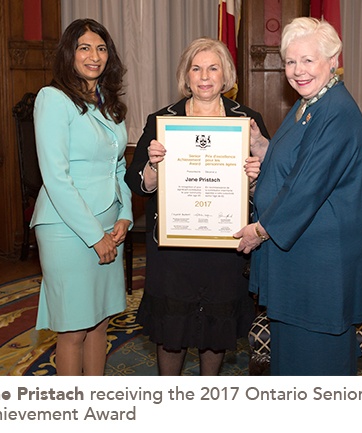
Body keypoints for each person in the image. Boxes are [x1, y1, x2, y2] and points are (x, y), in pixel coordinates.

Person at [234, 17, 362, 376]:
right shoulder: (310, 104)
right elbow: (298, 161)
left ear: (332, 60)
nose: (298, 71)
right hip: (301, 258)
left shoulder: (336, 112)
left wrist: (260, 231)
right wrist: (262, 146)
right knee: (291, 355)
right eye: (290, 61)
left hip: (321, 265)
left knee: (319, 361)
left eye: (308, 60)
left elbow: (308, 186)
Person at [125, 37, 270, 375]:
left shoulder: (247, 121)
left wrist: (253, 178)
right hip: (174, 250)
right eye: (196, 68)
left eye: (213, 68)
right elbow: (137, 183)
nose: (205, 76)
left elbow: (269, 188)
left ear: (226, 75)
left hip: (224, 247)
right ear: (186, 76)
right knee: (171, 333)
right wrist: (154, 167)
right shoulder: (162, 121)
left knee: (215, 333)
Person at [30, 18, 133, 376]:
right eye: (85, 47)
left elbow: (118, 166)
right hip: (67, 228)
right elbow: (55, 177)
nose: (95, 56)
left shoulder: (108, 102)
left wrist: (126, 215)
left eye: (101, 48)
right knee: (73, 327)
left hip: (109, 222)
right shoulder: (53, 99)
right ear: (69, 54)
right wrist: (94, 236)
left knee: (100, 321)